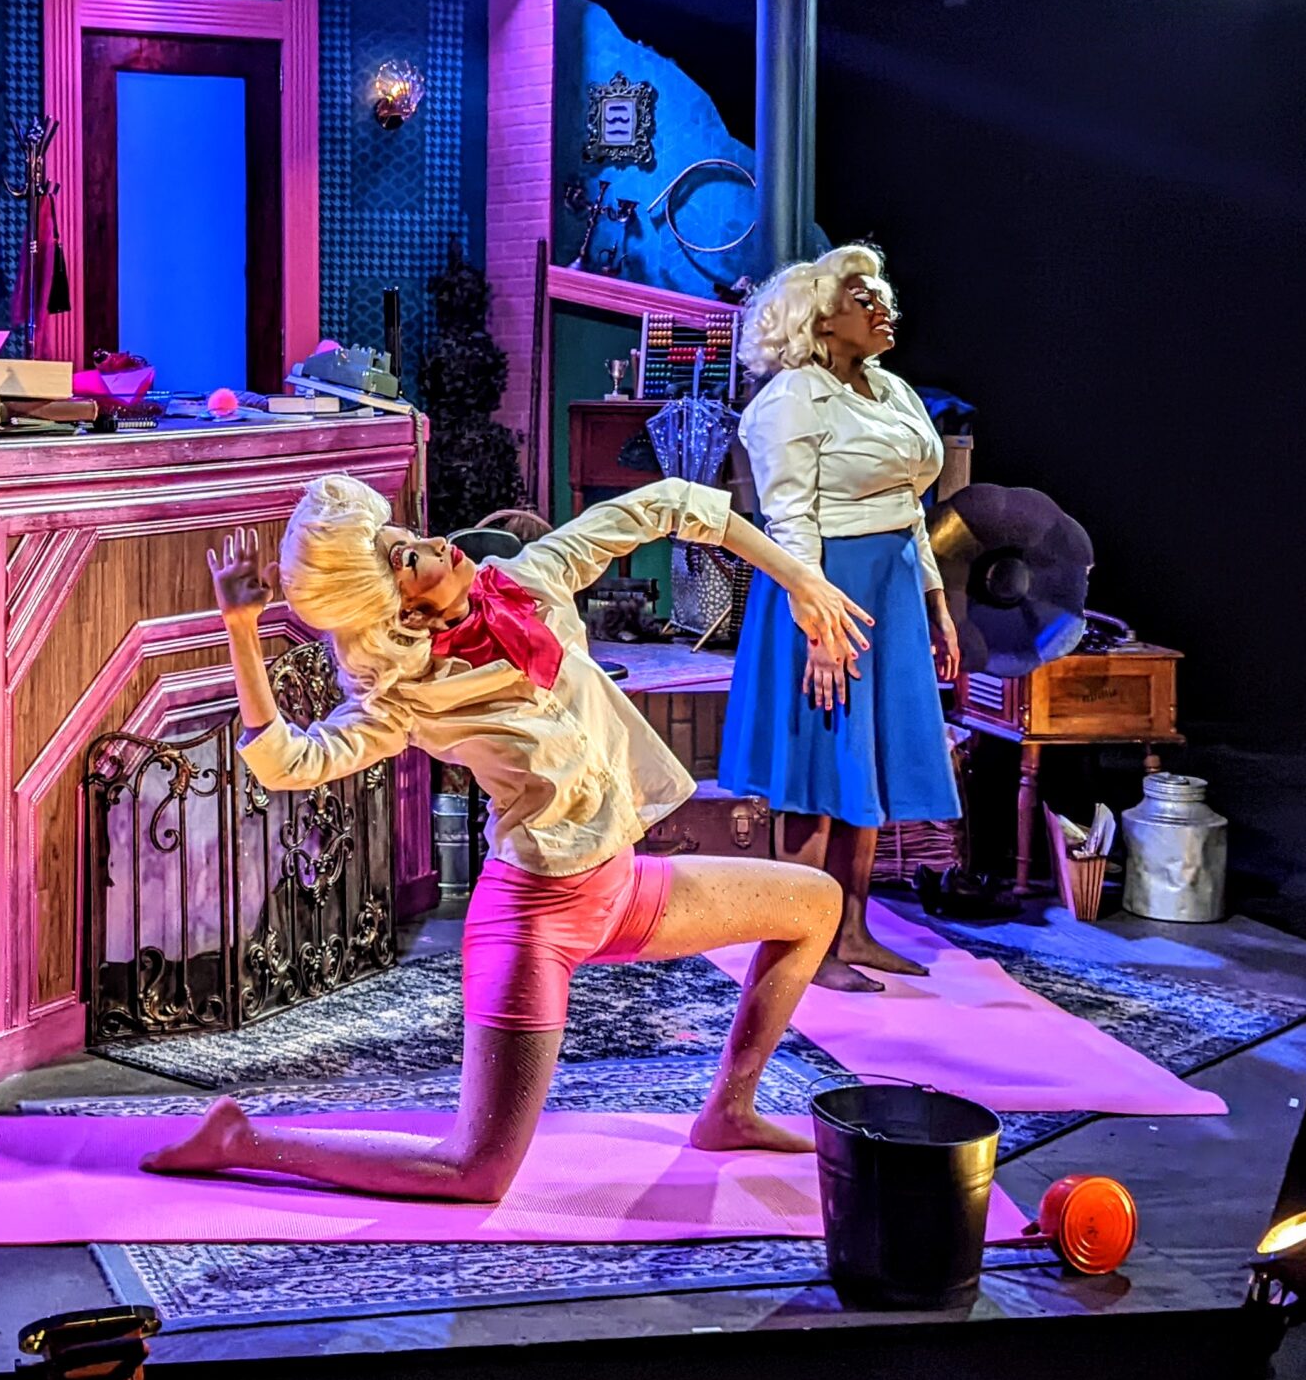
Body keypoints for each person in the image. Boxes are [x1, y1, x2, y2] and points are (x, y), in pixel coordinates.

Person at [140, 473, 871, 1202]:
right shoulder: (404, 698)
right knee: (476, 1172)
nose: (435, 544)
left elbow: (666, 505)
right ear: (404, 608)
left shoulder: (529, 582)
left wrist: (800, 581)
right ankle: (243, 1140)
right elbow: (288, 763)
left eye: (409, 538)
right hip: (533, 916)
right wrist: (242, 631)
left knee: (813, 905)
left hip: (618, 888)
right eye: (409, 558)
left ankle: (730, 1111)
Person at [718, 244, 962, 993]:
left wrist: (935, 603)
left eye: (882, 293)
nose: (883, 306)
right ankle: (804, 943)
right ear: (820, 317)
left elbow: (910, 505)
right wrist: (818, 626)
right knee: (817, 768)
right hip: (823, 588)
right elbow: (790, 522)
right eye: (863, 296)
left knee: (867, 764)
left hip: (888, 590)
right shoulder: (791, 400)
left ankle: (853, 931)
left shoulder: (890, 390)